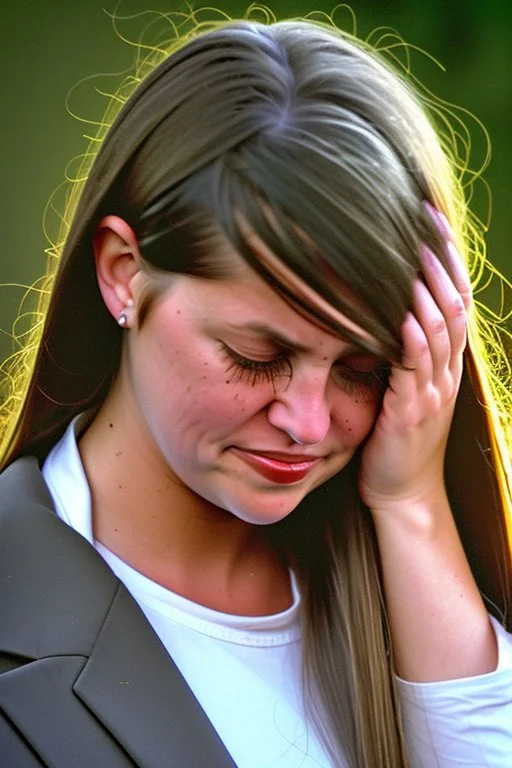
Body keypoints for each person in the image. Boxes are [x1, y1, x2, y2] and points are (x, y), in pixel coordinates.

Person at [0, 7, 511, 767]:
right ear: (123, 274)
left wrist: (412, 505)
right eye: (257, 354)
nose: (307, 422)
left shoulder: (406, 592)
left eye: (361, 369)